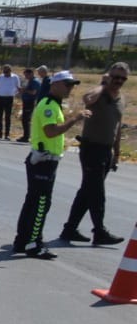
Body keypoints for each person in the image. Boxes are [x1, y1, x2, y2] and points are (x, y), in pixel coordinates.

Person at [12, 70, 90, 259]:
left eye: (71, 85)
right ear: (54, 84)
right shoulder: (48, 104)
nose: (69, 88)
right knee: (40, 203)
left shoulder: (53, 104)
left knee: (33, 202)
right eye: (66, 84)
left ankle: (22, 240)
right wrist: (75, 118)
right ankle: (33, 243)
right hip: (43, 161)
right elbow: (51, 131)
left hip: (46, 160)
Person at [60, 62, 127, 246]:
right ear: (108, 76)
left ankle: (70, 229)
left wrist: (117, 153)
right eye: (115, 77)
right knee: (97, 192)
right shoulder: (99, 93)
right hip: (91, 148)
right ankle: (99, 231)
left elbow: (117, 127)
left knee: (87, 191)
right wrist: (103, 85)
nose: (118, 81)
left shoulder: (121, 99)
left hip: (106, 150)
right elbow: (87, 99)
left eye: (122, 78)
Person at [0, 64, 20, 140]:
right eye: (4, 71)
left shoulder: (15, 77)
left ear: (10, 71)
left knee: (7, 116)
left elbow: (18, 87)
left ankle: (7, 134)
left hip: (9, 98)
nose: (5, 73)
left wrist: (13, 94)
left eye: (7, 71)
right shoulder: (0, 77)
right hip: (0, 97)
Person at [17, 65, 41, 142]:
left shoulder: (35, 81)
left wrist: (24, 90)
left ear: (31, 74)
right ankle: (25, 135)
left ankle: (26, 137)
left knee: (26, 120)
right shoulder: (30, 81)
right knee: (25, 119)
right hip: (26, 101)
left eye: (26, 75)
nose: (25, 76)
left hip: (30, 102)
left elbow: (33, 92)